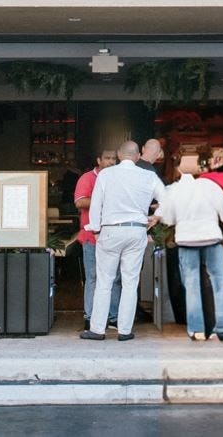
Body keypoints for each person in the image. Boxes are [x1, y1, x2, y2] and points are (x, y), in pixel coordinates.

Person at [81, 140, 165, 342]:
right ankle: (124, 330)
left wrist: (95, 230)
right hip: (136, 231)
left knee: (104, 282)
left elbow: (96, 205)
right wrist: (156, 217)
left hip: (110, 231)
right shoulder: (149, 176)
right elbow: (167, 199)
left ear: (119, 155)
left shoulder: (106, 175)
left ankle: (98, 329)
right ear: (137, 157)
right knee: (130, 282)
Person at [156, 154, 223, 341]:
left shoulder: (172, 190)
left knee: (191, 285)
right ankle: (222, 328)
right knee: (220, 283)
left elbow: (167, 218)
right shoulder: (210, 186)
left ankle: (196, 330)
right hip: (212, 237)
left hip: (187, 240)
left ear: (178, 170)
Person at [73, 148, 121, 331]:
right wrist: (103, 199)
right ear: (98, 160)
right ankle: (90, 317)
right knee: (93, 277)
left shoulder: (117, 178)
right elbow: (80, 202)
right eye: (107, 158)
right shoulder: (87, 178)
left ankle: (113, 317)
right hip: (91, 237)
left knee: (114, 278)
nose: (110, 162)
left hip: (113, 236)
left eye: (113, 159)